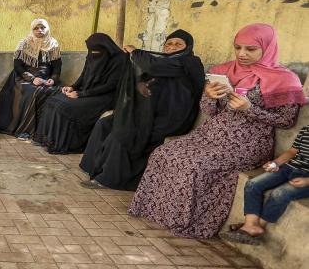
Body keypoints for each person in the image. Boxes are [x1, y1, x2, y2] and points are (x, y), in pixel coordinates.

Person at [129, 23, 305, 239]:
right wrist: (210, 96)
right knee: (164, 153)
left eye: (250, 49)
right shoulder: (224, 71)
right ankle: (158, 211)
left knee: (194, 165)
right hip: (210, 135)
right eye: (238, 47)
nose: (242, 54)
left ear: (267, 48)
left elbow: (286, 121)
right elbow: (209, 111)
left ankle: (186, 221)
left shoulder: (284, 79)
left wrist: (250, 109)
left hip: (248, 143)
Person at [79, 29, 205, 190]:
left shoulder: (191, 62)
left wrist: (135, 52)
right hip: (149, 111)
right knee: (105, 123)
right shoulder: (160, 61)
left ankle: (109, 178)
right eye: (169, 44)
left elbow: (152, 65)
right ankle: (93, 168)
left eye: (178, 44)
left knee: (124, 132)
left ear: (188, 47)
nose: (172, 47)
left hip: (172, 117)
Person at [32, 33, 127, 154]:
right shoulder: (93, 54)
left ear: (106, 48)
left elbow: (110, 86)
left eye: (96, 51)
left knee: (64, 107)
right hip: (86, 91)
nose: (93, 54)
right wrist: (72, 87)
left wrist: (81, 94)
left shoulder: (120, 59)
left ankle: (61, 144)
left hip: (105, 97)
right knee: (53, 101)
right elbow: (84, 75)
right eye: (91, 51)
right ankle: (47, 139)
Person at [222, 124, 309, 244]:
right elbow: (292, 151)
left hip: (307, 177)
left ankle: (254, 227)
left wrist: (307, 181)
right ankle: (250, 225)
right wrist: (276, 163)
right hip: (289, 168)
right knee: (253, 184)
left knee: (280, 193)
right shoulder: (306, 129)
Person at [0, 18, 63, 139]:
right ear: (32, 29)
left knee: (55, 92)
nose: (39, 30)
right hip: (23, 77)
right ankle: (26, 130)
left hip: (45, 78)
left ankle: (44, 131)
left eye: (43, 28)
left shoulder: (53, 44)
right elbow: (18, 66)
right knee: (32, 91)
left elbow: (57, 67)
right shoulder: (24, 43)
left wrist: (53, 79)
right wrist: (32, 79)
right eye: (36, 28)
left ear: (48, 29)